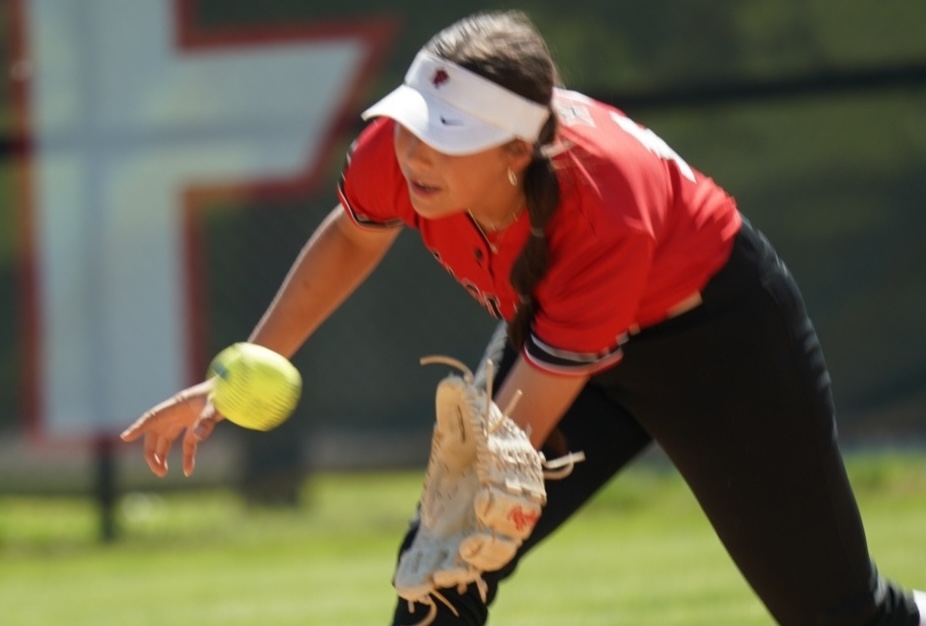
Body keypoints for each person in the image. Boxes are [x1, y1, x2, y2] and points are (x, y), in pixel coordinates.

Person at [120, 10, 925, 626]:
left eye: (446, 135)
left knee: (837, 613)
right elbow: (350, 241)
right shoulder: (396, 151)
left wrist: (483, 477)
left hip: (715, 343)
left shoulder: (603, 201)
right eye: (411, 123)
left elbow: (526, 415)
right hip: (561, 335)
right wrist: (236, 375)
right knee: (441, 571)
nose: (415, 152)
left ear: (515, 151)